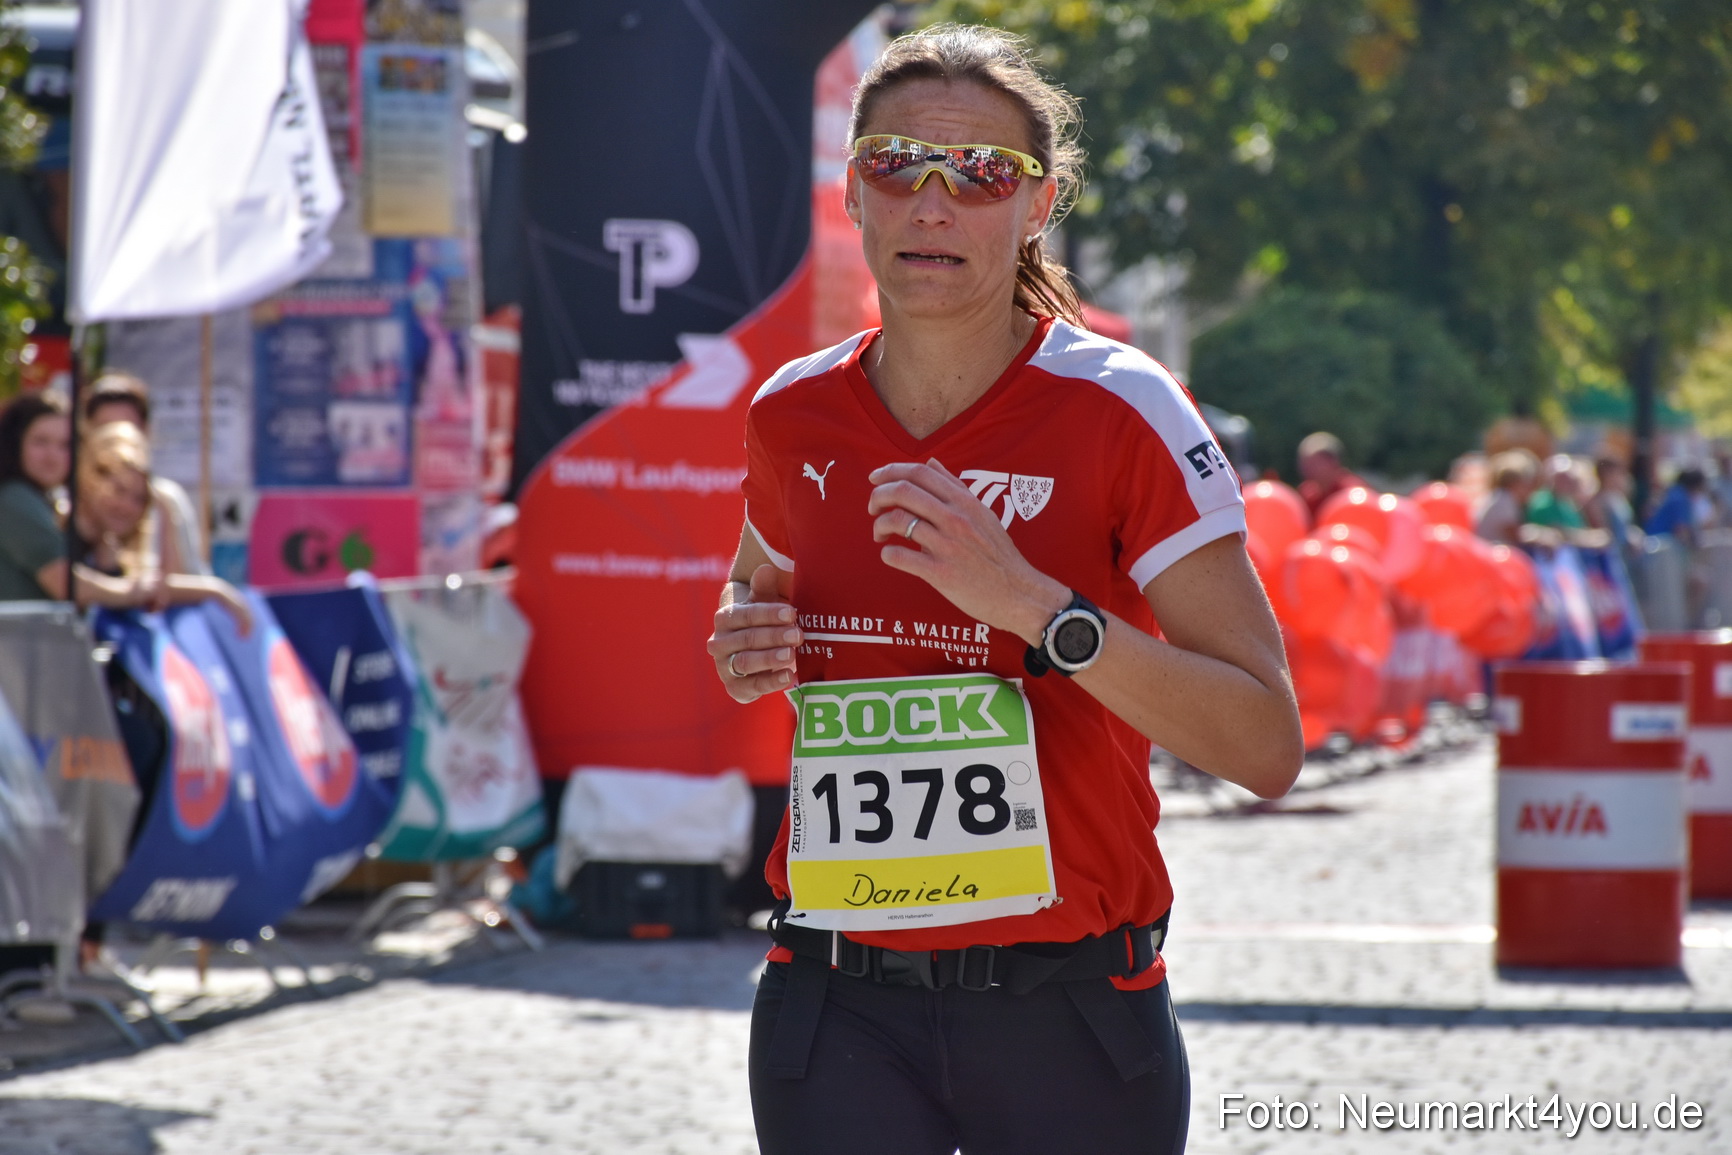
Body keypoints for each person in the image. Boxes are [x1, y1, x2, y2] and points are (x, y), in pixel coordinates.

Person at [706, 26, 1301, 1154]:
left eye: (983, 174)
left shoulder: (1121, 407)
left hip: (1067, 1008)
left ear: (1039, 206)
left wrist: (1037, 610)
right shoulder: (793, 412)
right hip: (835, 1000)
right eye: (896, 164)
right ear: (850, 189)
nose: (933, 204)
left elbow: (1264, 744)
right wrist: (743, 644)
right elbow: (753, 600)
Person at [75, 423, 251, 632]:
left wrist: (218, 591)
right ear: (91, 479)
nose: (127, 506)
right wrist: (129, 593)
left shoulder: (107, 544)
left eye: (139, 499)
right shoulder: (67, 530)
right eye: (118, 490)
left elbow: (154, 587)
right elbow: (71, 584)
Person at [0, 392, 152, 608]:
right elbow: (66, 584)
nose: (52, 456)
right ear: (15, 443)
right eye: (40, 442)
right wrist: (132, 592)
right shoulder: (14, 498)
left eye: (64, 445)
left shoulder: (43, 499)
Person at [82, 372, 210, 576]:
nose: (119, 440)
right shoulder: (70, 500)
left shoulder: (166, 499)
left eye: (139, 499)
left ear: (146, 431)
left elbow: (186, 576)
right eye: (105, 428)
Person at [1476, 448, 1541, 546]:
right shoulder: (1504, 501)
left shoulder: (1499, 497)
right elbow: (1515, 535)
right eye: (1526, 482)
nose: (1530, 488)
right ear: (1515, 483)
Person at [1295, 431, 1363, 516]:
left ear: (1332, 462)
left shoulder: (1354, 493)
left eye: (1314, 463)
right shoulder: (1308, 495)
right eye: (1304, 463)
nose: (1306, 468)